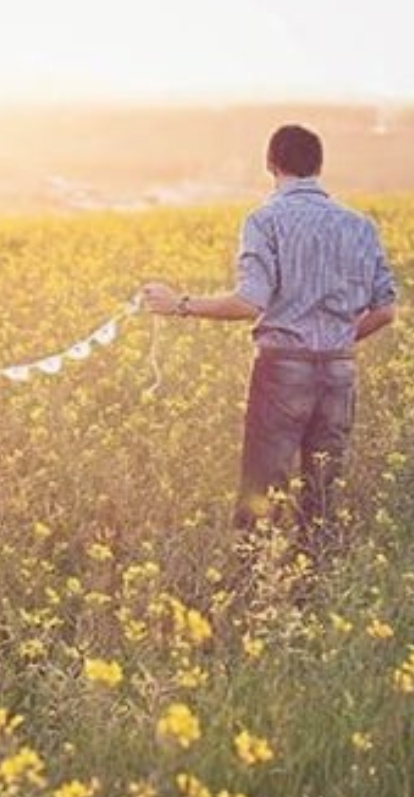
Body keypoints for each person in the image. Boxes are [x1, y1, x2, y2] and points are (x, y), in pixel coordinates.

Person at [140, 123, 397, 572]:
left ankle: (253, 592)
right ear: (319, 167)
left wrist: (178, 304)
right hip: (339, 372)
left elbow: (249, 301)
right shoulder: (360, 225)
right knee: (323, 492)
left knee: (263, 491)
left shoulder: (265, 220)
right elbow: (386, 310)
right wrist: (333, 340)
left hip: (283, 373)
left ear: (271, 165)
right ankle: (316, 591)